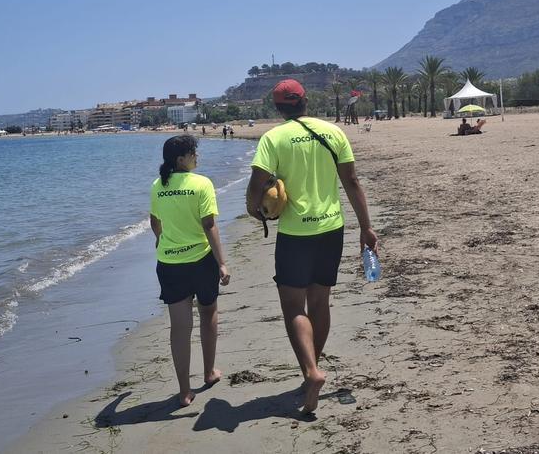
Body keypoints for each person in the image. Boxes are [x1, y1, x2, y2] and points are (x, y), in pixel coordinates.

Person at [245, 79, 378, 414]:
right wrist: (366, 227)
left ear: (278, 108)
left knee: (294, 306)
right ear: (305, 101)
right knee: (320, 301)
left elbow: (257, 183)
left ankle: (311, 372)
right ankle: (312, 369)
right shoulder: (333, 132)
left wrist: (253, 208)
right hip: (331, 228)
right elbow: (351, 181)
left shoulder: (273, 138)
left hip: (295, 232)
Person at [149, 135, 231, 407]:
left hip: (169, 264)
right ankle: (209, 373)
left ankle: (184, 391)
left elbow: (155, 222)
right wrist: (221, 262)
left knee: (180, 328)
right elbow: (209, 225)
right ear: (181, 159)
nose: (197, 156)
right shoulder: (202, 183)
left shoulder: (158, 185)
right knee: (208, 313)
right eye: (193, 153)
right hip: (201, 261)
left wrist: (160, 240)